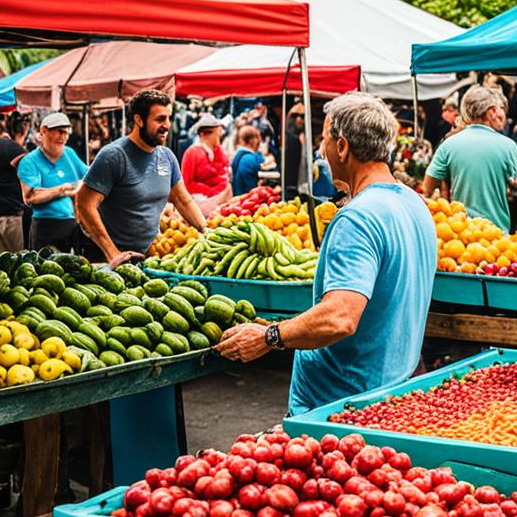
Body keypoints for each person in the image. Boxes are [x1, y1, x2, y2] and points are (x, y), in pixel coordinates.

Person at [214, 93, 437, 414]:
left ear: (343, 146)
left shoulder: (357, 218)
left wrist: (270, 336)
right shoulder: (414, 202)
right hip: (392, 392)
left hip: (338, 408)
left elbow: (339, 317)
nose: (321, 150)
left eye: (324, 140)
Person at [77, 90, 208, 266]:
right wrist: (112, 253)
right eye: (160, 119)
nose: (167, 125)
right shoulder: (114, 156)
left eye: (169, 118)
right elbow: (84, 203)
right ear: (139, 120)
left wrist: (206, 231)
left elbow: (182, 200)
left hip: (147, 257)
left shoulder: (167, 157)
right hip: (107, 258)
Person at [422, 86, 517, 231]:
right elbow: (516, 190)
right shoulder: (509, 146)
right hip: (498, 236)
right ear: (492, 111)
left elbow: (426, 190)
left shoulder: (448, 145)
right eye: (500, 108)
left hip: (460, 234)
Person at [17, 112, 88, 252]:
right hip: (45, 225)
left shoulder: (69, 153)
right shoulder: (29, 161)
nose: (64, 137)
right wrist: (62, 190)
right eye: (60, 132)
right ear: (44, 131)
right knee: (45, 270)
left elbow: (88, 178)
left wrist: (76, 187)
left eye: (66, 133)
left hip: (71, 223)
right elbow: (31, 197)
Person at [0, 112, 29, 254]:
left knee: (3, 270)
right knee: (24, 267)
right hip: (12, 221)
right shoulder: (7, 146)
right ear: (22, 132)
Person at [181, 113, 232, 216]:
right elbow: (187, 184)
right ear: (203, 135)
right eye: (216, 132)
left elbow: (226, 173)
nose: (220, 134)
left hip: (221, 202)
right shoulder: (192, 153)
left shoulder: (219, 150)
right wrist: (213, 191)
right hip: (200, 204)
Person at [231, 125, 264, 196]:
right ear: (253, 140)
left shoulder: (239, 155)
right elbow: (250, 187)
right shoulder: (249, 159)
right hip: (247, 198)